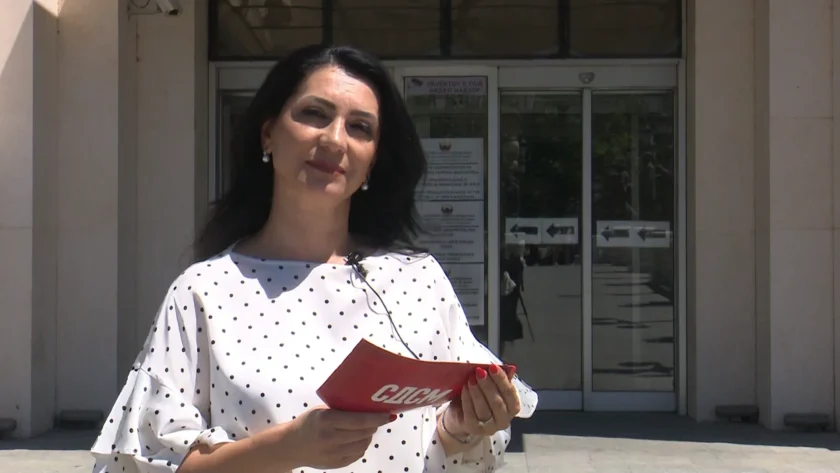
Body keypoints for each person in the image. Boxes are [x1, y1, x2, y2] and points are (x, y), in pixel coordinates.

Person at [89, 44, 538, 473]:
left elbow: (454, 446)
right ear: (269, 133)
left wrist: (464, 426)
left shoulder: (419, 281)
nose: (334, 139)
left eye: (359, 127)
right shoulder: (203, 291)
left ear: (372, 161)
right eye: (315, 114)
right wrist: (288, 447)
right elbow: (148, 463)